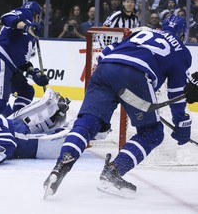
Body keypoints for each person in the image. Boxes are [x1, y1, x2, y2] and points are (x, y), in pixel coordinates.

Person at [43, 15, 195, 199]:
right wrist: (182, 124)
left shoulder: (143, 32)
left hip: (104, 69)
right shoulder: (181, 50)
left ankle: (60, 166)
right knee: (152, 132)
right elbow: (177, 93)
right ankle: (113, 172)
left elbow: (106, 52)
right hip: (135, 76)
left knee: (89, 122)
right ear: (182, 35)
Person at [0, 1, 49, 117]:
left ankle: (16, 121)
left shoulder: (31, 37)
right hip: (0, 59)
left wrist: (34, 73)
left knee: (26, 92)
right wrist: (26, 26)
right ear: (36, 15)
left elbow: (22, 62)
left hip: (10, 66)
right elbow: (6, 18)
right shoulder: (26, 13)